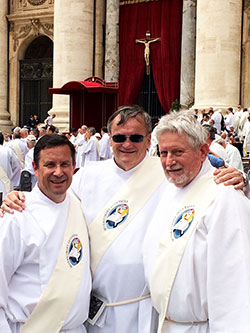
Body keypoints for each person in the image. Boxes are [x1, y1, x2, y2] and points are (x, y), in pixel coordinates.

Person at [1, 106, 246, 333]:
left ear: (148, 140)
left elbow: (202, 184)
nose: (127, 144)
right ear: (110, 139)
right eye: (119, 137)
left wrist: (234, 178)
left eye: (136, 138)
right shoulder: (86, 178)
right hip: (92, 314)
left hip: (148, 312)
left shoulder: (169, 177)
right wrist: (18, 199)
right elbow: (53, 206)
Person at [143, 111, 250, 332]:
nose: (169, 161)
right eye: (163, 153)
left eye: (178, 152)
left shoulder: (224, 197)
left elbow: (235, 287)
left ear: (202, 151)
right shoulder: (169, 190)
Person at [0, 134, 91, 332]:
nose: (58, 172)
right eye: (50, 165)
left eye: (64, 164)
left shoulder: (79, 206)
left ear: (74, 166)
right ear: (35, 168)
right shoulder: (16, 215)